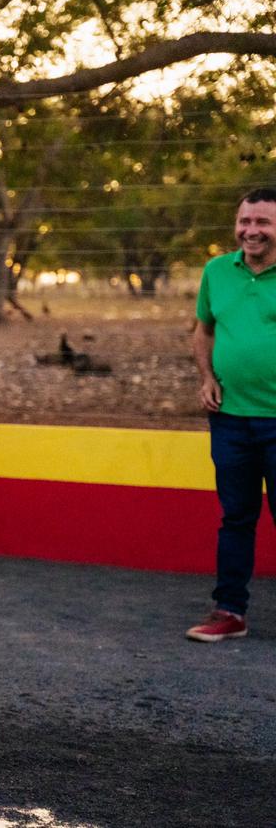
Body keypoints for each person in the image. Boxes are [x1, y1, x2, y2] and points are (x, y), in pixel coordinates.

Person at [186, 187, 276, 642]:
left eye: (262, 222)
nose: (251, 231)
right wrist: (207, 377)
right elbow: (203, 331)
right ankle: (230, 612)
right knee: (237, 517)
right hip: (231, 419)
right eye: (245, 221)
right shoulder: (217, 271)